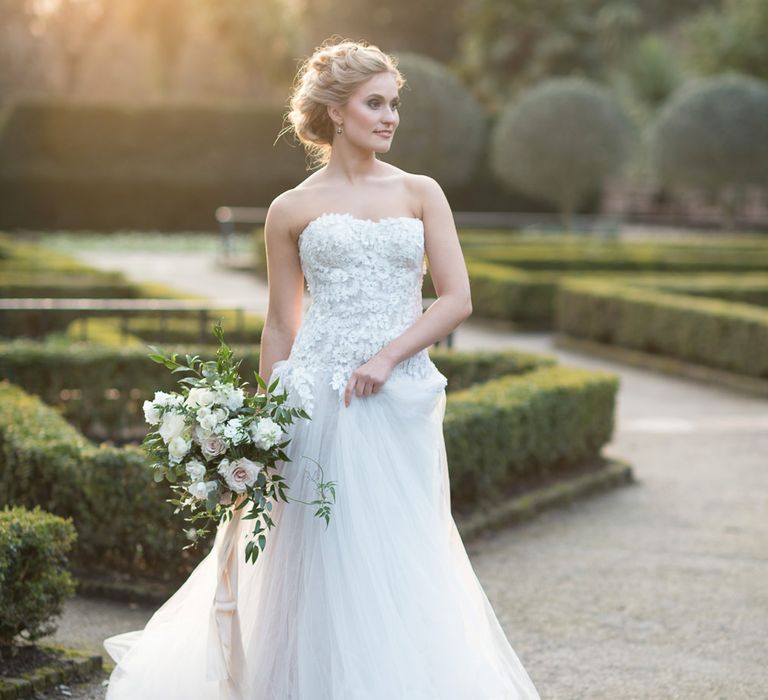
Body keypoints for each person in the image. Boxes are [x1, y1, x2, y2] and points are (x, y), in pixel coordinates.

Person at [103, 37, 540, 699]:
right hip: (311, 398)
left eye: (393, 104)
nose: (390, 116)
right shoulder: (291, 208)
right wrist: (257, 428)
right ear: (337, 113)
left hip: (398, 398)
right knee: (311, 555)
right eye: (375, 103)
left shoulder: (422, 192)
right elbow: (281, 323)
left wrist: (388, 357)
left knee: (400, 547)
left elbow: (456, 299)